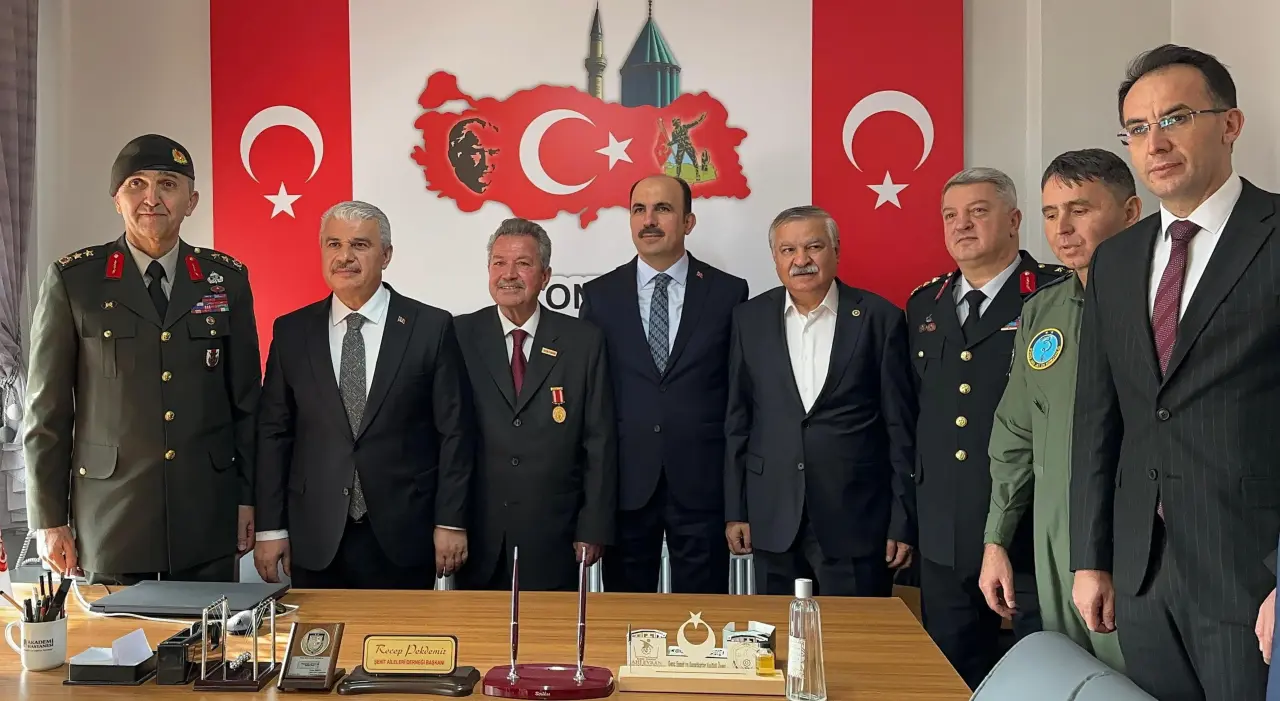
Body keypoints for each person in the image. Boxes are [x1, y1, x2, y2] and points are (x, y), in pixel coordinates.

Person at [1070, 44, 1280, 701]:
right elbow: (1097, 418)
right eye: (1137, 129)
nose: (1154, 143)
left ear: (1230, 124)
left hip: (1251, 574)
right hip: (1141, 574)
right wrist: (1090, 557)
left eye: (1175, 118)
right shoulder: (1116, 259)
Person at [24, 134, 259, 584]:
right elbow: (46, 412)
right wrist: (49, 519)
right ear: (117, 199)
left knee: (208, 632)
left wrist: (248, 498)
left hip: (206, 514)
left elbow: (246, 404)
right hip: (111, 518)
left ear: (191, 201)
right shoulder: (75, 281)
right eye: (136, 184)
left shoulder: (224, 280)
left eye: (167, 184)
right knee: (114, 632)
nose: (151, 198)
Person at [253, 201, 473, 588]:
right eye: (334, 244)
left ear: (386, 255)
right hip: (315, 533)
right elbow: (274, 434)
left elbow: (455, 432)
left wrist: (450, 521)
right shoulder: (291, 331)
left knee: (402, 631)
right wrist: (270, 528)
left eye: (359, 245)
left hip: (404, 533)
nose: (345, 257)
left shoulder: (430, 327)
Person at [979, 149, 1141, 674]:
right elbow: (1015, 434)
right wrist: (996, 540)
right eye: (1050, 213)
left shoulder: (1160, 304)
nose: (1062, 229)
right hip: (1053, 537)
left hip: (1133, 538)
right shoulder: (1042, 311)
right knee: (1070, 677)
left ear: (1131, 212)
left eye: (1080, 210)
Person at [906, 167, 1057, 688]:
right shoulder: (923, 304)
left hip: (1032, 528)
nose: (961, 225)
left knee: (1040, 675)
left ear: (1014, 220)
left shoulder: (1056, 292)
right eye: (950, 215)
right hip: (945, 532)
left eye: (977, 212)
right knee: (950, 676)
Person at [724, 205, 915, 597]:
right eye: (788, 250)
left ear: (836, 250)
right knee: (775, 632)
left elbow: (900, 429)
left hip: (857, 518)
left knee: (854, 632)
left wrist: (902, 520)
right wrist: (736, 510)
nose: (801, 260)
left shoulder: (880, 318)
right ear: (775, 258)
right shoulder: (749, 319)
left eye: (813, 247)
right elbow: (738, 421)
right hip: (772, 515)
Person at [579, 175, 748, 594]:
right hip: (626, 485)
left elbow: (739, 398)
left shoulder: (728, 293)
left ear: (689, 222)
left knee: (702, 616)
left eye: (663, 209)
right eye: (639, 209)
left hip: (703, 486)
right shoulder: (600, 296)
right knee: (626, 618)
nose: (649, 220)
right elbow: (591, 401)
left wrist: (737, 500)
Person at [455, 218, 617, 592]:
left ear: (545, 276)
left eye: (523, 264)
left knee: (552, 630)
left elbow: (599, 440)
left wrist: (593, 526)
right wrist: (449, 522)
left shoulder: (583, 341)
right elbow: (447, 437)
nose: (509, 274)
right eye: (499, 263)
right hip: (478, 536)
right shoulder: (459, 335)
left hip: (555, 536)